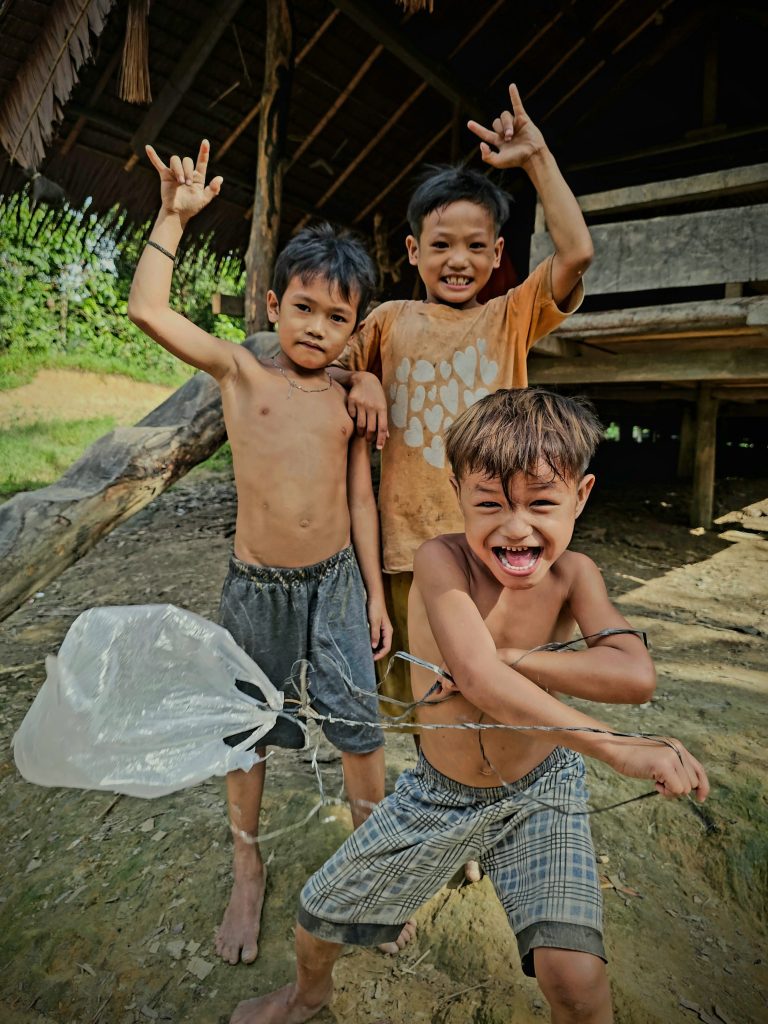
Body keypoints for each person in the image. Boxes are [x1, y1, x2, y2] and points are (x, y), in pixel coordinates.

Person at [229, 388, 709, 1024]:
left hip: (543, 786)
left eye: (542, 504)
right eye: (489, 504)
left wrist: (514, 657)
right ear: (457, 491)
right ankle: (305, 998)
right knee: (318, 920)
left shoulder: (576, 577)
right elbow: (477, 680)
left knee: (577, 980)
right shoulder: (442, 561)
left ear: (582, 496)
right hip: (440, 793)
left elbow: (635, 675)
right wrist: (618, 745)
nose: (516, 528)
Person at [127, 140, 407, 966]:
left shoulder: (349, 400)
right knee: (244, 735)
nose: (318, 330)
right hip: (257, 591)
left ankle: (371, 873)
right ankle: (246, 868)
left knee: (361, 733)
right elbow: (149, 312)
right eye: (304, 310)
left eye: (338, 318)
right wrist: (172, 220)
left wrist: (376, 597)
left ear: (354, 327)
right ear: (273, 302)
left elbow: (360, 498)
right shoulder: (241, 373)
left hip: (337, 586)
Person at [334, 84, 594, 754]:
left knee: (491, 682)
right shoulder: (388, 322)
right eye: (442, 245)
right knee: (423, 693)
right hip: (407, 551)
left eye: (475, 246)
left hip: (493, 547)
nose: (459, 260)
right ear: (413, 251)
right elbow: (323, 363)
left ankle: (487, 801)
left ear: (497, 252)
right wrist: (360, 374)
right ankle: (439, 802)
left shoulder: (510, 315)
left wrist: (537, 161)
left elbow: (575, 255)